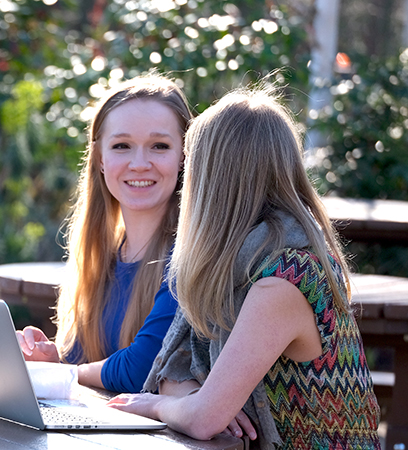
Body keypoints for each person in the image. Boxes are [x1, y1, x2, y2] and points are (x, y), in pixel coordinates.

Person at [106, 87, 381, 448]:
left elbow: (204, 420)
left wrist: (163, 406)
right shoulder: (233, 267)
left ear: (212, 180)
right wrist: (188, 399)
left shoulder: (283, 280)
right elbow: (177, 367)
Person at [16, 74, 192, 393]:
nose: (139, 164)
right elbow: (83, 365)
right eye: (122, 146)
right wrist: (49, 358)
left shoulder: (189, 258)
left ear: (184, 156)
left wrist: (63, 373)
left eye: (159, 146)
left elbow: (143, 370)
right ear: (99, 158)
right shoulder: (98, 254)